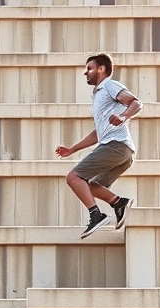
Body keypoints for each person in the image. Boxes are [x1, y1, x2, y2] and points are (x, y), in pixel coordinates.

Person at [55, 53, 142, 238]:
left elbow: (135, 102)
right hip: (121, 151)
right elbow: (97, 133)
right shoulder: (97, 96)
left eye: (89, 68)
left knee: (73, 177)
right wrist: (72, 149)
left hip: (116, 146)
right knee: (91, 186)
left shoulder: (109, 85)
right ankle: (119, 203)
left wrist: (123, 116)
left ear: (101, 69)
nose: (85, 72)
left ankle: (96, 215)